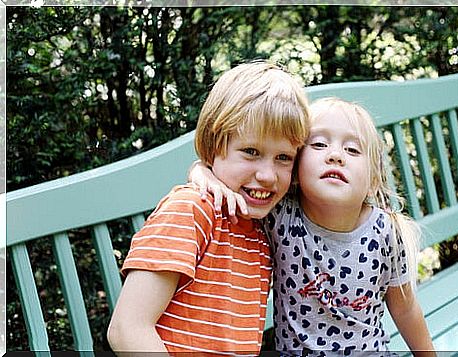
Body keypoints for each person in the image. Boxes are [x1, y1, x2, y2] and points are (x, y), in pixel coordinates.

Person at [189, 97, 435, 356]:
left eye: (352, 150)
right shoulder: (280, 216)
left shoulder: (385, 232)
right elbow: (228, 180)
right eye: (318, 144)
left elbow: (405, 308)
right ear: (294, 169)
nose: (335, 156)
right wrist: (201, 172)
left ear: (373, 180)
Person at [107, 60, 310, 356]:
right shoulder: (191, 211)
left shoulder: (262, 228)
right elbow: (127, 330)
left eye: (283, 157)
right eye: (251, 152)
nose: (268, 175)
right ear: (214, 146)